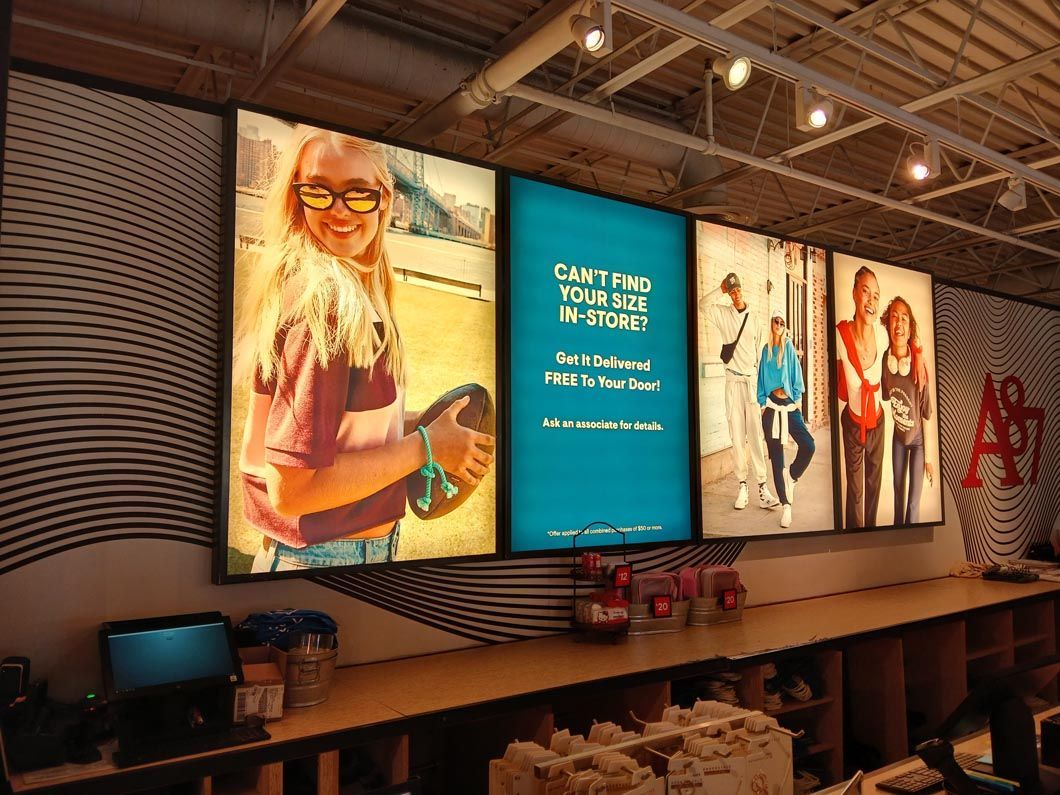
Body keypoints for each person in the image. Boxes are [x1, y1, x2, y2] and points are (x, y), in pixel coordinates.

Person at [234, 125, 494, 573]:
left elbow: (342, 433)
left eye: (357, 193)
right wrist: (426, 447)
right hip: (319, 558)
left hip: (352, 552)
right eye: (318, 191)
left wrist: (431, 427)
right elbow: (291, 489)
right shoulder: (323, 302)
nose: (339, 211)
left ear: (383, 198)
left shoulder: (357, 289)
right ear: (297, 197)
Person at [700, 272, 778, 511]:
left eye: (737, 290)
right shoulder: (723, 314)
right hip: (732, 382)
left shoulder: (754, 318)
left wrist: (763, 392)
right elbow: (702, 305)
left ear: (742, 290)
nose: (735, 295)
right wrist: (719, 289)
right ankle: (742, 485)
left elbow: (759, 357)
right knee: (737, 435)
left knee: (755, 436)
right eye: (731, 291)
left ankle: (763, 487)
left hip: (751, 383)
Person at [835, 266, 887, 528]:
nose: (871, 301)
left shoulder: (883, 334)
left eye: (876, 296)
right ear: (854, 293)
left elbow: (907, 343)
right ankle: (852, 546)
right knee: (855, 492)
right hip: (853, 424)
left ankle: (873, 543)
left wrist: (920, 354)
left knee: (873, 489)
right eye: (866, 292)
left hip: (877, 423)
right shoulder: (840, 335)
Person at [758, 311, 815, 529]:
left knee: (809, 445)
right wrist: (763, 404)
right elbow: (761, 378)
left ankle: (792, 476)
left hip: (789, 407)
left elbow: (797, 375)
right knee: (777, 460)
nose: (779, 325)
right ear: (771, 323)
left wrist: (798, 399)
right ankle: (786, 506)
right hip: (772, 408)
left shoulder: (788, 347)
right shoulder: (766, 350)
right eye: (776, 321)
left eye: (782, 322)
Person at [880, 297, 934, 525]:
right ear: (887, 324)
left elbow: (927, 415)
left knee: (913, 503)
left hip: (918, 441)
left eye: (904, 318)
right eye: (894, 317)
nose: (898, 323)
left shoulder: (919, 366)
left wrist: (929, 458)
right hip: (898, 439)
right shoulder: (886, 360)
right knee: (897, 495)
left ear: (910, 328)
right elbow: (883, 396)